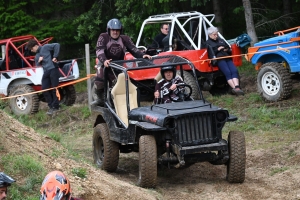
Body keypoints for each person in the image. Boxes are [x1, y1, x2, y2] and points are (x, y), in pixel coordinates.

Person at [94, 18, 151, 105]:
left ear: (120, 30)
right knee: (99, 82)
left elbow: (134, 49)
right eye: (113, 30)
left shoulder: (125, 38)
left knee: (117, 86)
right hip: (103, 63)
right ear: (109, 30)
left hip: (117, 64)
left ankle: (116, 104)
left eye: (117, 30)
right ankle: (100, 99)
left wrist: (142, 55)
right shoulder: (103, 37)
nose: (115, 32)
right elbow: (99, 50)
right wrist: (104, 60)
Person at [205, 27, 244, 95]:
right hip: (219, 59)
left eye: (217, 34)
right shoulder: (208, 43)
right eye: (214, 35)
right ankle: (234, 88)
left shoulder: (221, 40)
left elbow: (228, 48)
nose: (216, 36)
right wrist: (218, 49)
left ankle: (237, 87)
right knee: (228, 72)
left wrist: (227, 49)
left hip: (227, 57)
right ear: (210, 35)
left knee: (234, 71)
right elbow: (209, 53)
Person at [26, 39, 61, 114]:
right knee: (44, 89)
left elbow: (57, 45)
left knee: (55, 89)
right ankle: (51, 106)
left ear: (35, 46)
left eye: (32, 49)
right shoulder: (36, 56)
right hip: (46, 71)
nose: (32, 51)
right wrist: (39, 61)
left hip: (53, 69)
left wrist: (55, 56)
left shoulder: (45, 47)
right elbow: (37, 66)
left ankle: (56, 107)